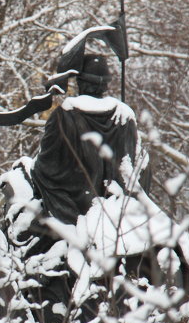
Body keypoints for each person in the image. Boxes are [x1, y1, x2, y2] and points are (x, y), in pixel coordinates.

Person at [30, 48, 146, 225]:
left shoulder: (65, 114)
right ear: (106, 84)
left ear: (79, 82)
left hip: (75, 206)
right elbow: (135, 162)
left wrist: (35, 171)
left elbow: (47, 165)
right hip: (118, 204)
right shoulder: (125, 115)